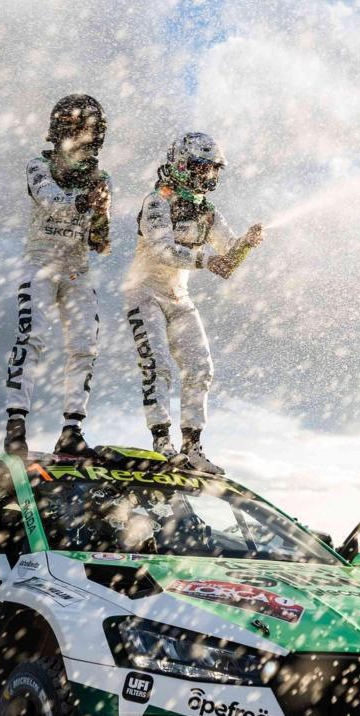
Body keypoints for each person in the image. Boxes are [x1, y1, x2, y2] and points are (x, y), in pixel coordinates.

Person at [123, 132, 264, 474]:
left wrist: (246, 244)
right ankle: (162, 444)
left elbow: (228, 258)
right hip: (144, 293)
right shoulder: (157, 201)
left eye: (214, 169)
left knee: (201, 368)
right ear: (182, 165)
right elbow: (162, 249)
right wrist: (206, 260)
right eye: (203, 167)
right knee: (157, 365)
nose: (209, 175)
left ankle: (193, 448)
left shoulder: (207, 211)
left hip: (179, 296)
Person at [3, 94, 112, 458]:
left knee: (85, 346)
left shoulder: (101, 177)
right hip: (41, 261)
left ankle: (72, 431)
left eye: (90, 129)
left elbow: (100, 241)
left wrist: (102, 213)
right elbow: (50, 200)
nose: (85, 135)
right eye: (79, 128)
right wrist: (85, 202)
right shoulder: (39, 164)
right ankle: (15, 427)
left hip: (78, 269)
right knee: (31, 336)